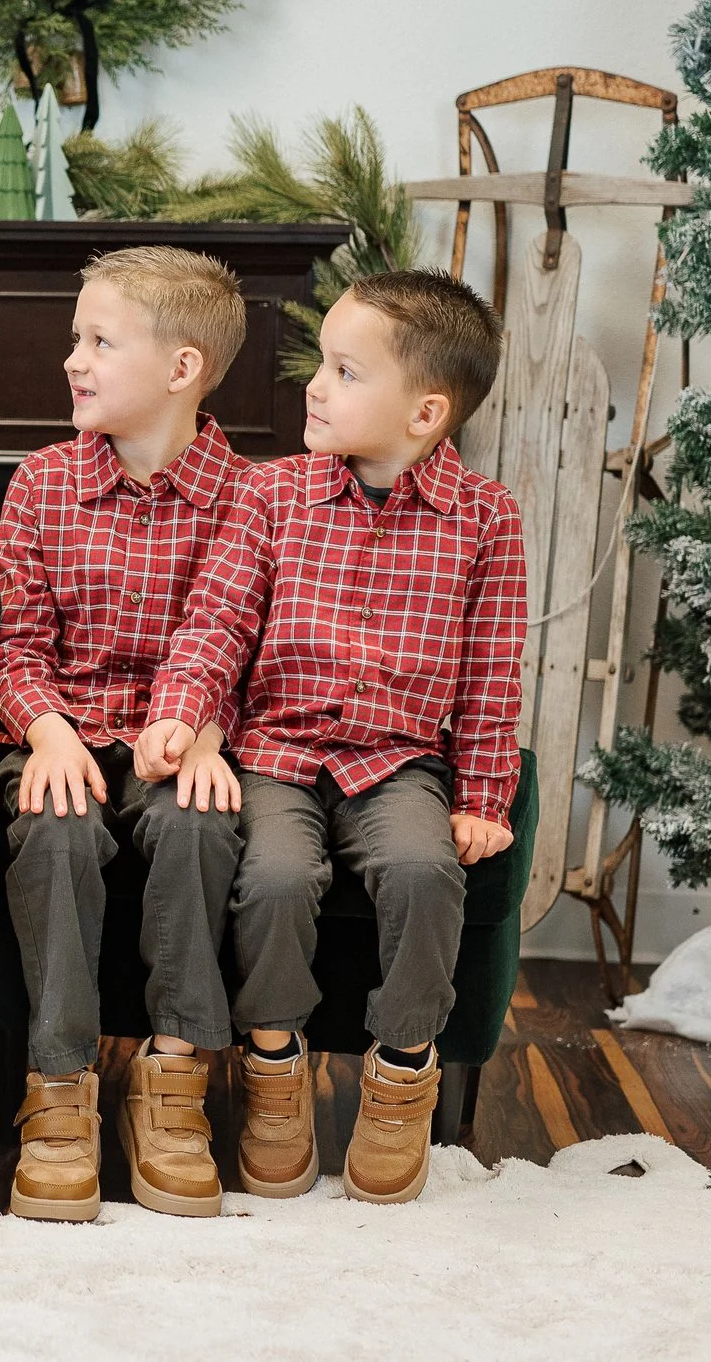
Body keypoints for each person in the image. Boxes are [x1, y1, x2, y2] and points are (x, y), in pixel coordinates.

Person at [137, 269, 526, 1205]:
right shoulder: (271, 496)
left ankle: (402, 1072)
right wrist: (181, 714)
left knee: (427, 873)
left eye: (347, 371)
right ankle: (275, 1067)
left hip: (400, 762)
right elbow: (217, 622)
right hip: (279, 751)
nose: (314, 384)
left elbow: (492, 673)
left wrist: (482, 798)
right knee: (272, 877)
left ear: (426, 411)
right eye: (323, 362)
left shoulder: (486, 520)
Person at [0, 246, 250, 1221]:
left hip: (181, 733)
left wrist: (195, 724)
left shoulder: (248, 497)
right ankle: (56, 1086)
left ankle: (171, 1084)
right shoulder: (42, 483)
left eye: (99, 340)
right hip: (60, 723)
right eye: (73, 337)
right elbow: (13, 643)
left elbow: (228, 628)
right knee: (50, 825)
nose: (72, 359)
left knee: (195, 823)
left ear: (181, 368)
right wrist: (45, 731)